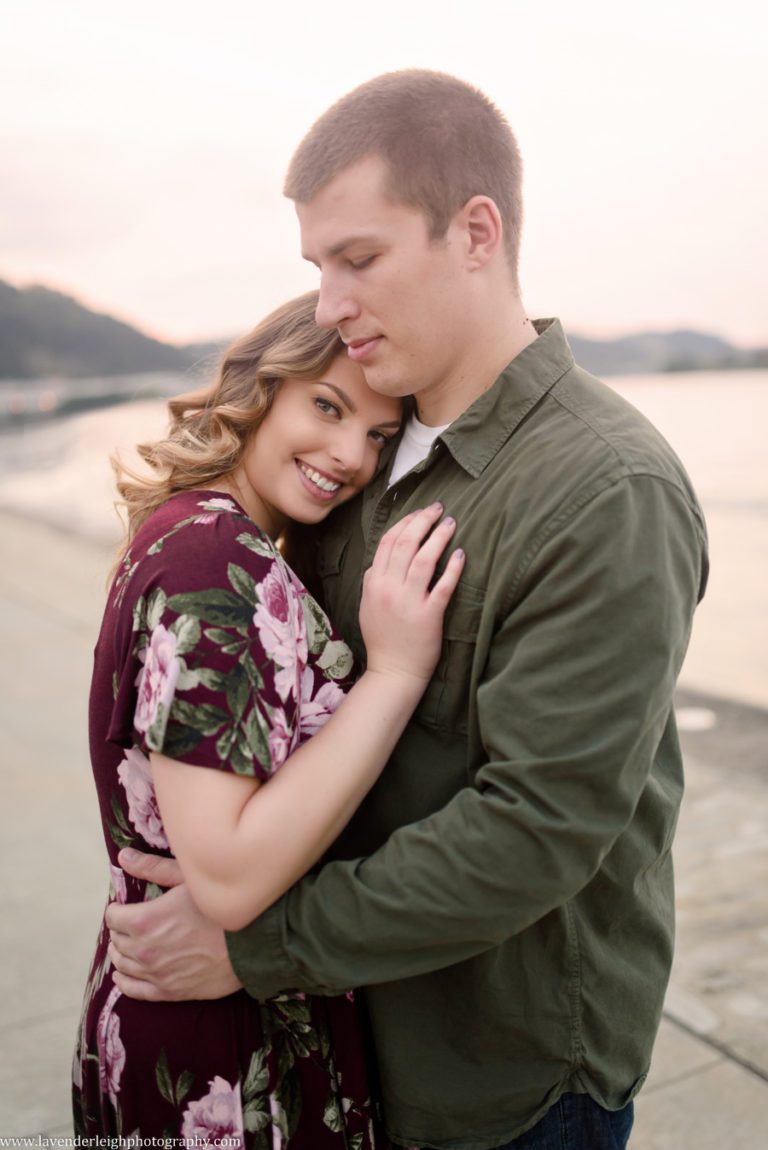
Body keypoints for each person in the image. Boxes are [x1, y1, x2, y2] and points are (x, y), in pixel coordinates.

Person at [106, 71, 709, 1150]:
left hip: (501, 1079)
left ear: (475, 232)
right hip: (343, 1052)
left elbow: (536, 830)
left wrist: (253, 945)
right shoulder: (362, 451)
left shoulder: (608, 490)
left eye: (360, 259)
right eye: (318, 269)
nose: (330, 304)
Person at [73, 289, 464, 1142]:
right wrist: (395, 674)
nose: (350, 455)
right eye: (327, 406)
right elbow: (227, 873)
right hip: (223, 1041)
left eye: (379, 436)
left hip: (177, 998)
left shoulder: (185, 529)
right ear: (260, 387)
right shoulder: (218, 562)